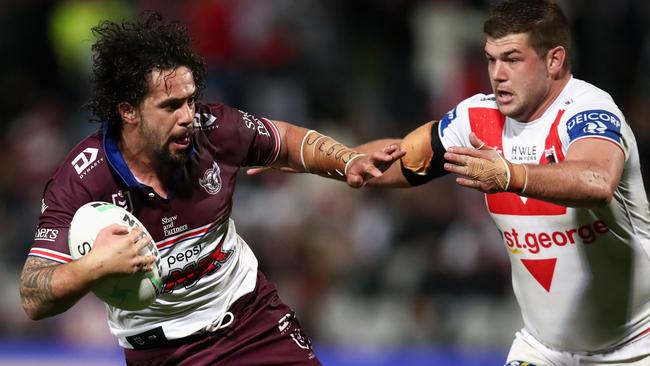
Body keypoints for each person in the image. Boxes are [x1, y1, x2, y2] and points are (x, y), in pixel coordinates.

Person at [18, 12, 403, 366]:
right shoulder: (82, 179)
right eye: (170, 106)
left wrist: (345, 159)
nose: (188, 117)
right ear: (128, 111)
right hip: (163, 353)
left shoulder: (215, 130)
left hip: (254, 324)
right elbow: (33, 296)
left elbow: (284, 140)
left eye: (190, 100)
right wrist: (94, 266)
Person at [351, 0, 650, 364]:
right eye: (491, 59)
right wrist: (322, 158)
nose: (497, 74)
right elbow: (401, 160)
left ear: (554, 60)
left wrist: (509, 174)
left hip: (635, 347)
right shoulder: (477, 116)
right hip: (544, 351)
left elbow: (597, 181)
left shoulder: (590, 111)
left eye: (512, 59)